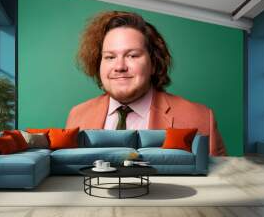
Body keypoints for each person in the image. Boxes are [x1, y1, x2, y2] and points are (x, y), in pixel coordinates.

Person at [66, 11, 226, 156]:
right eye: (110, 57)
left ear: (154, 63)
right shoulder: (78, 116)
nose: (120, 67)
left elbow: (217, 186)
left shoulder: (200, 119)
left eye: (133, 55)